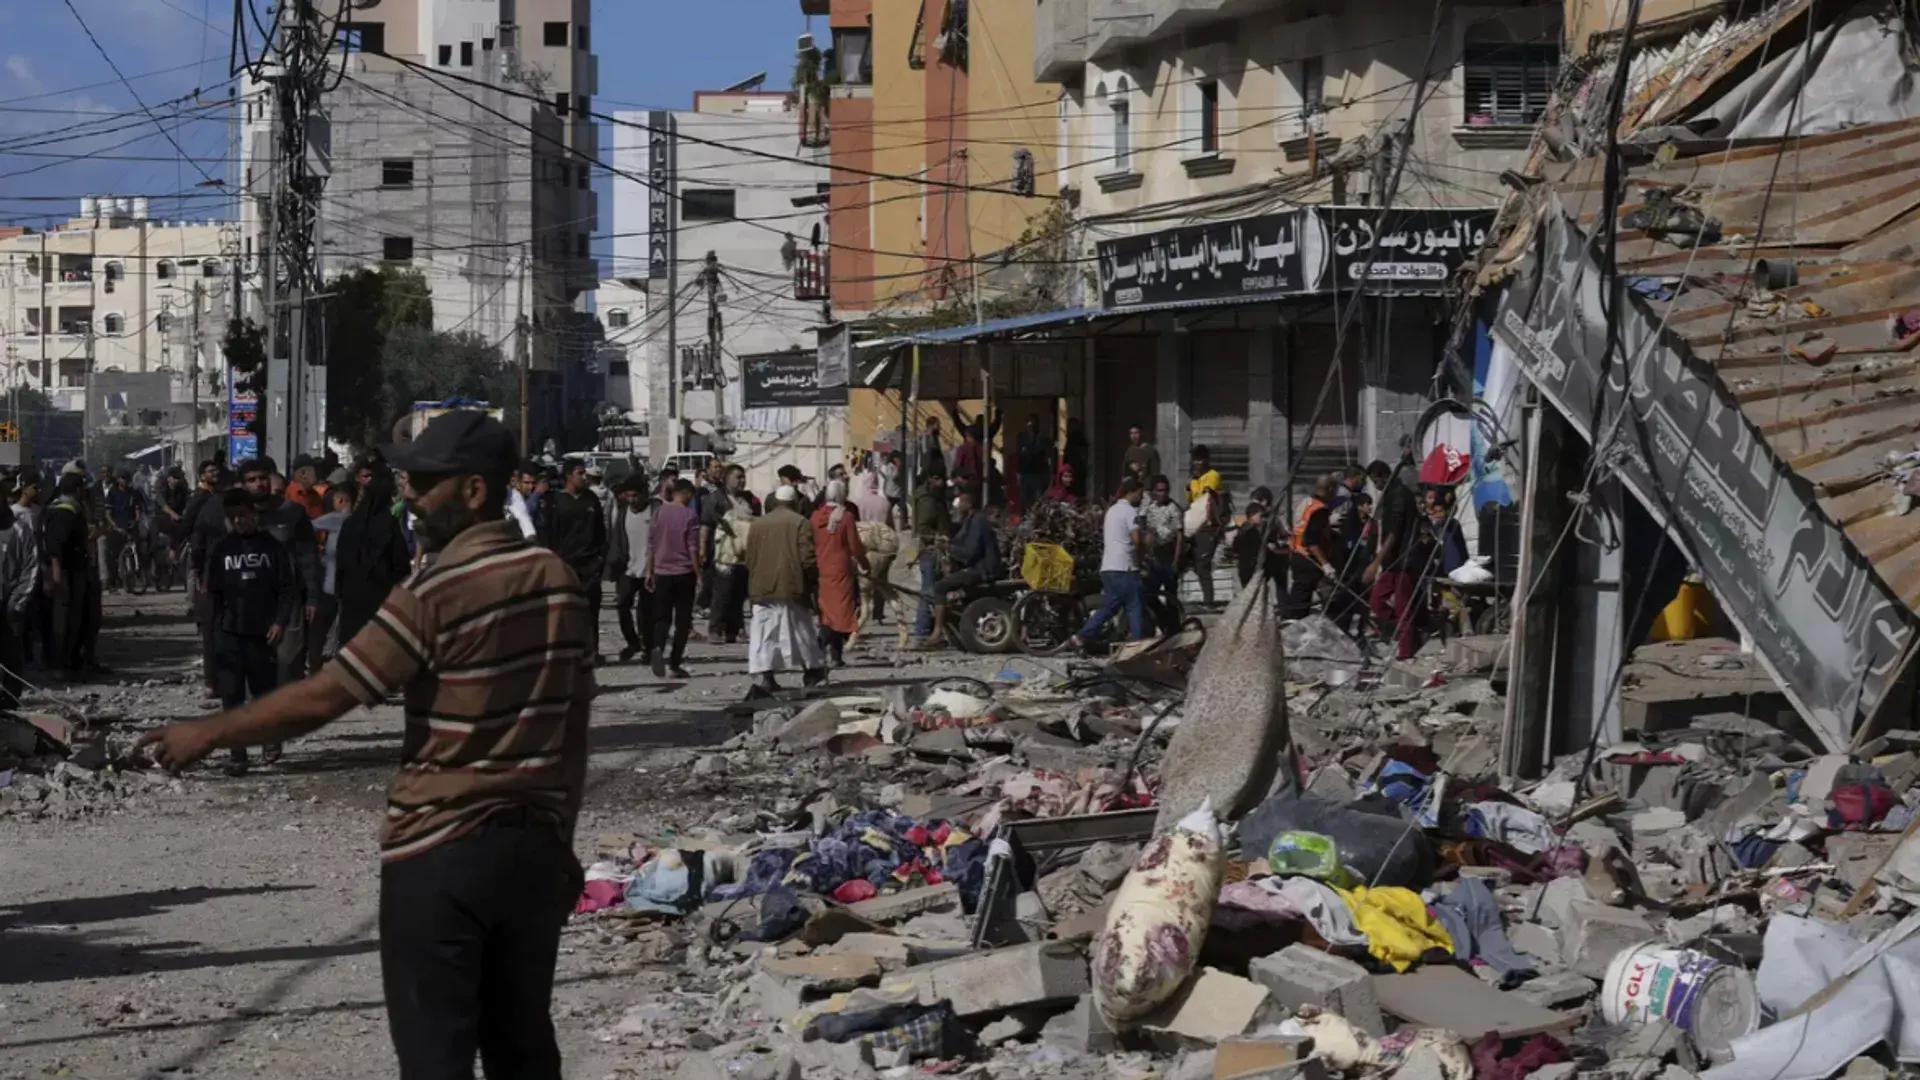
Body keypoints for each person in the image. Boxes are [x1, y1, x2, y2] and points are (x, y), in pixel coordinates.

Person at [140, 411, 591, 1080]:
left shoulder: (435, 589)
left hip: (442, 852)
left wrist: (209, 731)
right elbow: (574, 730)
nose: (409, 493)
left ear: (473, 490)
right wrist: (562, 840)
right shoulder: (558, 579)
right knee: (523, 1048)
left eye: (425, 481)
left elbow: (331, 693)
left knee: (434, 1055)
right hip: (535, 851)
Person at [205, 487, 295, 776]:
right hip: (230, 633)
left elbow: (286, 589)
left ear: (254, 514)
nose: (239, 521)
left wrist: (280, 621)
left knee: (263, 694)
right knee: (231, 696)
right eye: (233, 517)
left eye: (243, 515)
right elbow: (214, 593)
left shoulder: (272, 547)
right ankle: (237, 754)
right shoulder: (223, 549)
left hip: (262, 634)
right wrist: (213, 630)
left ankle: (270, 739)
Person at [249, 459, 323, 701]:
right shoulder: (237, 514)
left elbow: (308, 557)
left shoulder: (292, 513)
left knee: (289, 656)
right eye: (252, 480)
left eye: (262, 479)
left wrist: (312, 595)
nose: (259, 484)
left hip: (288, 596)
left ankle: (282, 708)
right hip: (251, 598)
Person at [743, 484, 826, 696]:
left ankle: (765, 676)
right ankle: (812, 671)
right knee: (801, 630)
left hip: (762, 586)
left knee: (764, 632)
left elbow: (749, 557)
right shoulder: (800, 522)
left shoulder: (758, 524)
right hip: (791, 584)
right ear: (794, 502)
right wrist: (813, 581)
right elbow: (807, 558)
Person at [334, 465, 412, 648]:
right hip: (380, 601)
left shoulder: (350, 524)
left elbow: (341, 564)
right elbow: (401, 566)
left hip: (351, 600)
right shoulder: (388, 525)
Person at [543, 460, 609, 661]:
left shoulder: (591, 499)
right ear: (569, 476)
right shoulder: (557, 502)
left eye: (584, 473)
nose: (584, 477)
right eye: (580, 473)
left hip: (590, 565)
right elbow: (550, 535)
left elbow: (601, 532)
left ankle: (593, 651)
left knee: (591, 612)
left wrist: (599, 559)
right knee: (567, 612)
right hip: (566, 565)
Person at [1071, 478, 1147, 649]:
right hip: (1125, 567)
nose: (1141, 498)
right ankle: (1138, 646)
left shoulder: (1111, 511)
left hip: (1108, 567)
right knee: (1134, 606)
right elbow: (1137, 539)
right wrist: (1141, 555)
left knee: (1112, 605)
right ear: (1133, 492)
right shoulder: (1130, 512)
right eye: (1140, 494)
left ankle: (1082, 635)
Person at [43, 473, 100, 679]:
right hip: (66, 573)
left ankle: (72, 661)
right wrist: (57, 577)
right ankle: (60, 664)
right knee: (65, 620)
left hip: (74, 571)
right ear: (77, 489)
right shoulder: (64, 512)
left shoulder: (70, 509)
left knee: (76, 618)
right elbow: (56, 548)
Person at [1367, 455, 1423, 659]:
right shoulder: (1390, 495)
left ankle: (1406, 652)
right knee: (1376, 602)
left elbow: (1394, 532)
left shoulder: (1399, 495)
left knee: (1402, 607)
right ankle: (1405, 633)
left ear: (1383, 476)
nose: (1376, 485)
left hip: (1404, 559)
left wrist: (1376, 562)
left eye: (1376, 481)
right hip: (1392, 560)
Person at [810, 479, 869, 667]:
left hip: (821, 569)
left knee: (828, 613)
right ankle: (818, 647)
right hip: (841, 571)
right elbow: (855, 546)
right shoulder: (847, 517)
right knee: (841, 613)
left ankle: (836, 656)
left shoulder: (815, 517)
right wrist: (864, 563)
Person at [645, 478, 700, 679]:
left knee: (662, 617)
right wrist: (699, 574)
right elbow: (693, 548)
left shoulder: (659, 513)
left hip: (661, 572)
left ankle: (658, 646)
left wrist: (649, 571)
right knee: (683, 620)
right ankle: (675, 663)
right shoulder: (690, 515)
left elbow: (651, 544)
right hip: (684, 573)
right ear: (686, 493)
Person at [699, 463, 754, 643]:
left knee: (739, 594)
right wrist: (702, 550)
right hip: (723, 555)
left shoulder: (748, 499)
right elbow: (706, 525)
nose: (741, 480)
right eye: (738, 477)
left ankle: (735, 629)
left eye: (743, 476)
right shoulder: (716, 499)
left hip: (744, 556)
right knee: (722, 593)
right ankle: (715, 629)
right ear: (726, 479)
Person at [607, 475, 654, 665]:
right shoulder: (624, 512)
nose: (632, 500)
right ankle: (632, 642)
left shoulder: (655, 510)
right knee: (622, 605)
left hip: (650, 570)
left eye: (635, 496)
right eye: (628, 496)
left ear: (644, 494)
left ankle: (648, 649)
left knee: (646, 611)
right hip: (628, 569)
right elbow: (617, 540)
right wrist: (612, 567)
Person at [1284, 474, 1342, 620]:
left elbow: (1302, 528)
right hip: (1309, 559)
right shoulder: (1320, 510)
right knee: (1326, 596)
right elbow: (1310, 540)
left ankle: (1294, 623)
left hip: (1297, 554)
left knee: (1300, 595)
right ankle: (1295, 626)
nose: (1336, 494)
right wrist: (1326, 564)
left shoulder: (1307, 502)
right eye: (1335, 490)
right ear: (1330, 489)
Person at [310, 483, 355, 670]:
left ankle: (317, 668)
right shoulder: (360, 521)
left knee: (321, 633)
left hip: (331, 587)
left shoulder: (337, 519)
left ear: (341, 500)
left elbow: (308, 527)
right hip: (350, 587)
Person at [851, 468, 900, 627]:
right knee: (882, 581)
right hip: (882, 547)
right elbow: (891, 526)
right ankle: (878, 612)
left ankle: (860, 613)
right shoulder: (884, 502)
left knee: (861, 581)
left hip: (864, 546)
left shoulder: (858, 502)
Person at [910, 473, 951, 647]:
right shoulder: (928, 500)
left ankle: (926, 630)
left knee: (929, 590)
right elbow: (924, 527)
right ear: (933, 478)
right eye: (941, 479)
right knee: (929, 591)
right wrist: (941, 537)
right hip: (931, 550)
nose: (943, 482)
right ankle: (922, 631)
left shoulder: (925, 496)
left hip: (926, 549)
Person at [1184, 445, 1225, 609]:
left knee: (1203, 564)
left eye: (1200, 459)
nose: (1197, 463)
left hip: (1208, 526)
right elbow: (1191, 501)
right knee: (1195, 563)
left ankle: (1209, 601)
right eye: (1194, 459)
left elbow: (1207, 499)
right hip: (1195, 525)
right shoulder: (1193, 480)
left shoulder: (1213, 476)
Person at [1138, 474, 1184, 607]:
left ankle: (1173, 624)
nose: (1162, 494)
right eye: (1159, 490)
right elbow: (1143, 526)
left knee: (1171, 594)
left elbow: (1179, 536)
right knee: (1150, 593)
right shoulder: (1149, 507)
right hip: (1152, 556)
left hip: (1168, 553)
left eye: (1165, 490)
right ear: (1153, 491)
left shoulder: (1173, 508)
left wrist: (1176, 561)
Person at [11, 475, 41, 672]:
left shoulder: (38, 512)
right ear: (23, 488)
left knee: (31, 615)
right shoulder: (14, 513)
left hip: (35, 567)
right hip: (17, 569)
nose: (38, 491)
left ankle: (28, 656)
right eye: (34, 487)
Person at [1231, 503, 1288, 590]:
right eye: (1261, 516)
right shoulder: (1249, 530)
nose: (1263, 519)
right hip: (1250, 567)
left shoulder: (1250, 529)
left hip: (1251, 566)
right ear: (1252, 516)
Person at [104, 471, 141, 591]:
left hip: (131, 526)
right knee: (112, 555)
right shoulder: (112, 493)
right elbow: (108, 513)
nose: (125, 481)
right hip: (117, 527)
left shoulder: (133, 493)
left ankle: (140, 573)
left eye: (127, 479)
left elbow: (137, 510)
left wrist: (136, 520)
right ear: (118, 480)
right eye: (123, 479)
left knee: (140, 547)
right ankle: (113, 581)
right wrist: (115, 526)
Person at [1015, 414, 1054, 512]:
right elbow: (1019, 456)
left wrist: (1049, 474)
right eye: (1029, 424)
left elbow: (1048, 457)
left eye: (1033, 424)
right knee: (1025, 499)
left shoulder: (1043, 439)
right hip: (1025, 473)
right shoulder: (1021, 437)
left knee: (1038, 500)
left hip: (1039, 474)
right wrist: (1018, 473)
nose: (1031, 426)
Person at [507, 461, 541, 540]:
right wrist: (536, 494)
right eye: (527, 483)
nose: (531, 486)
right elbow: (523, 513)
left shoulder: (536, 499)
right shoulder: (511, 497)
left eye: (533, 483)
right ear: (518, 483)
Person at [285, 455, 325, 519]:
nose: (319, 472)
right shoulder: (296, 492)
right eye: (316, 469)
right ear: (303, 473)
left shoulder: (313, 493)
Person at [1063, 418, 1089, 497]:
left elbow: (1081, 454)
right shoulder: (1074, 437)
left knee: (1075, 492)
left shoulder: (1075, 438)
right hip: (1076, 469)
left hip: (1076, 469)